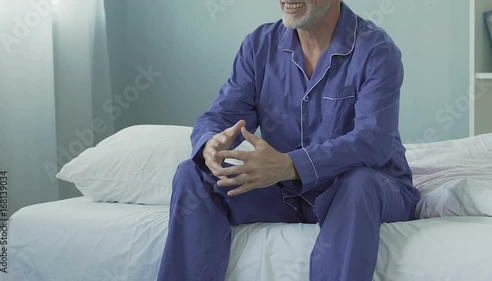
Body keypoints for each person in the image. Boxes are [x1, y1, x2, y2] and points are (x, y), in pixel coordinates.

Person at [157, 0, 420, 280]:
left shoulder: (376, 50)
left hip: (366, 189)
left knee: (359, 183)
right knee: (192, 174)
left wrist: (290, 165)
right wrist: (211, 142)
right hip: (286, 193)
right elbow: (222, 114)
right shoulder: (259, 45)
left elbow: (372, 142)